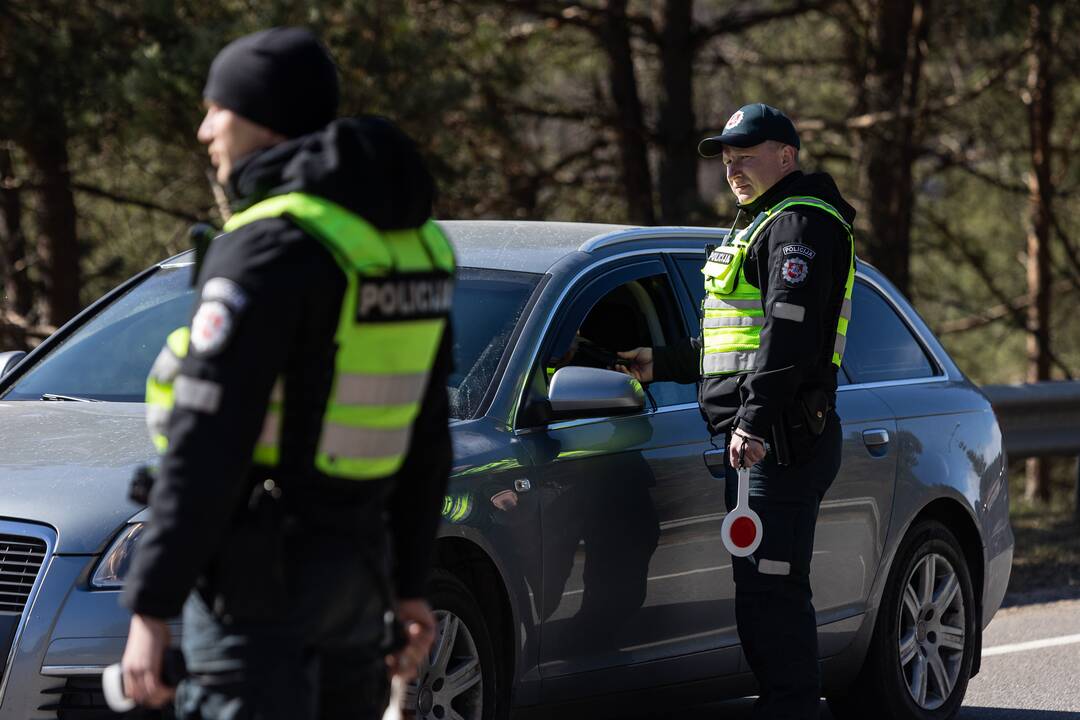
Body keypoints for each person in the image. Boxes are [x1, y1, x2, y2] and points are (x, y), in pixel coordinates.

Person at [119, 27, 454, 719]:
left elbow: (209, 436)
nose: (206, 128)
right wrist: (410, 581)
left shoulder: (269, 244)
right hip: (360, 571)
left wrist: (150, 606)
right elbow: (426, 434)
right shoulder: (414, 245)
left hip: (261, 579)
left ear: (258, 116)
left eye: (217, 108)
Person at [619, 102, 855, 719]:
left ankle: (791, 710)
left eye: (747, 156)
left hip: (776, 437)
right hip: (761, 435)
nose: (734, 169)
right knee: (761, 592)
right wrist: (659, 361)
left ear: (787, 156)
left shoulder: (800, 224)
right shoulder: (763, 222)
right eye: (727, 159)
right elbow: (736, 340)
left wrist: (752, 421)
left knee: (773, 593)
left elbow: (788, 335)